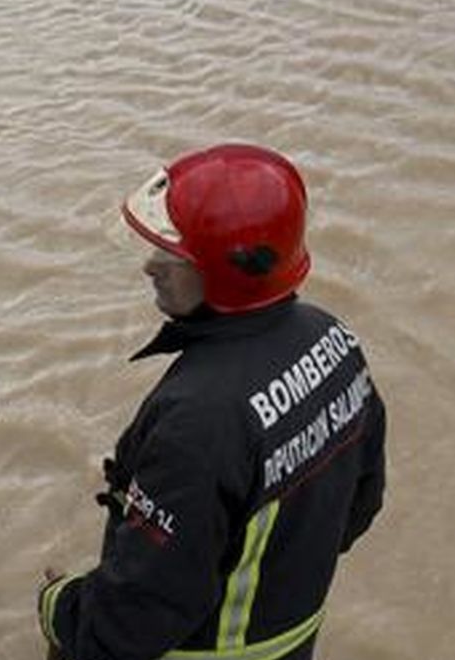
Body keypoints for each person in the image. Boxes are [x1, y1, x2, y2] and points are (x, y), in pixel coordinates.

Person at [38, 143, 386, 660]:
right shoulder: (330, 338)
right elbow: (362, 501)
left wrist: (59, 606)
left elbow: (134, 618)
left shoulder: (200, 417)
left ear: (228, 270)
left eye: (174, 254)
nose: (151, 267)